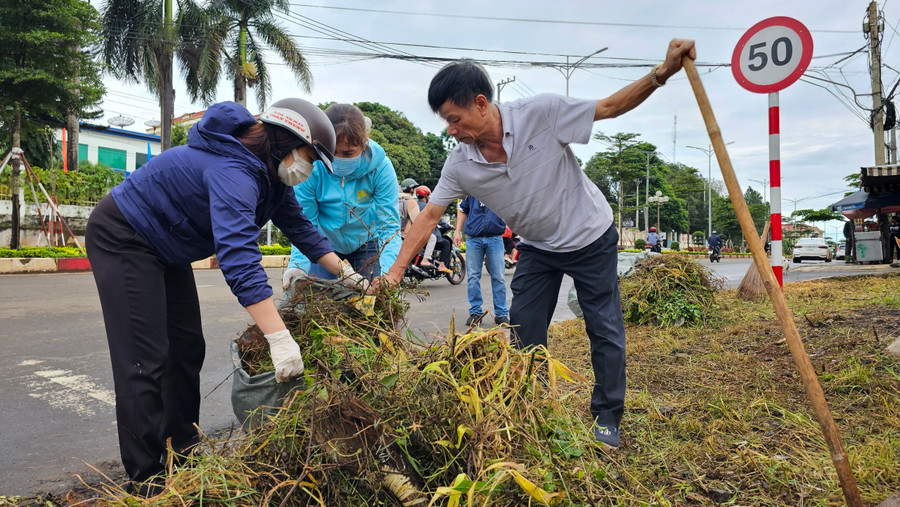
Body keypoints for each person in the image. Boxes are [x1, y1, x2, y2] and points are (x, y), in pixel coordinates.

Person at [375, 39, 697, 450]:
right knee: (523, 324)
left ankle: (607, 416)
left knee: (603, 327)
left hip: (590, 235)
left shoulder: (541, 113)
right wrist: (394, 274)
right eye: (446, 122)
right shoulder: (461, 164)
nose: (451, 130)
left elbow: (611, 107)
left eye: (454, 119)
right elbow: (428, 217)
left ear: (480, 104)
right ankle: (535, 404)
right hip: (540, 246)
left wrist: (661, 73)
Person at [84, 99, 369, 495]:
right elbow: (238, 257)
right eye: (308, 158)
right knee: (143, 360)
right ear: (285, 141)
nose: (308, 169)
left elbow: (301, 228)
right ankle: (147, 480)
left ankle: (183, 457)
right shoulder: (233, 172)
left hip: (166, 247)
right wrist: (278, 337)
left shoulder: (271, 176)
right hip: (125, 235)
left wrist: (348, 274)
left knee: (186, 349)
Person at [282, 103, 401, 287]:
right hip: (323, 244)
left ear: (364, 144)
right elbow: (305, 222)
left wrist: (388, 273)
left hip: (367, 243)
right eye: (331, 152)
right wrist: (299, 265)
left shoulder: (381, 168)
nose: (338, 159)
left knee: (376, 297)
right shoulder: (312, 167)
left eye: (348, 153)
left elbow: (389, 225)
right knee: (319, 297)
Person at [453, 196, 509, 326]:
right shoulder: (470, 190)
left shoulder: (498, 189)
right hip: (473, 238)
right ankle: (475, 312)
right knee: (473, 276)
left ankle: (501, 314)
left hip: (495, 237)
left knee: (499, 277)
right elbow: (463, 209)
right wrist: (457, 232)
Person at [416, 185, 451, 273]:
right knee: (446, 244)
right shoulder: (428, 207)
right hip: (427, 234)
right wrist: (448, 226)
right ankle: (441, 265)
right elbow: (438, 219)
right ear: (426, 196)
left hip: (415, 234)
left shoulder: (414, 205)